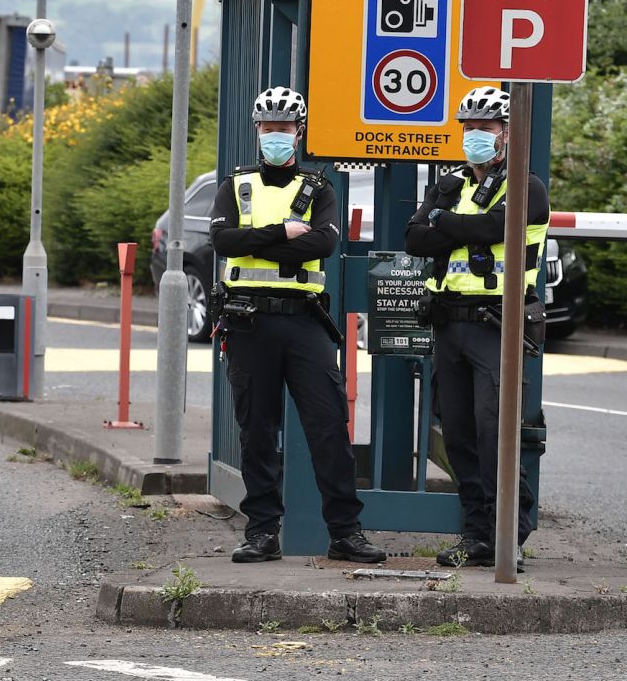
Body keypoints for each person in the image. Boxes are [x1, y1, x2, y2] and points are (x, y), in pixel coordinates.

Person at [209, 86, 386, 564]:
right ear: (257, 131)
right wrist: (284, 234)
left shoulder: (319, 188)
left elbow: (323, 246)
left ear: (299, 132)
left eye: (284, 128)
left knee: (328, 427)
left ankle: (346, 533)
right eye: (268, 127)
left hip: (304, 322)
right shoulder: (236, 185)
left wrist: (257, 244)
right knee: (257, 432)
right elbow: (223, 240)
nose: (276, 135)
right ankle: (262, 533)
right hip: (248, 322)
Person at [405, 86, 549, 572]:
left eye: (484, 129)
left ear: (508, 134)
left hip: (497, 326)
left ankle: (513, 533)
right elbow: (415, 238)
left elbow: (495, 231)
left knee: (496, 433)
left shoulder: (527, 186)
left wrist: (445, 222)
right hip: (450, 323)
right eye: (468, 129)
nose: (474, 137)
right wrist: (450, 219)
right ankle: (477, 534)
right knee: (459, 436)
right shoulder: (449, 184)